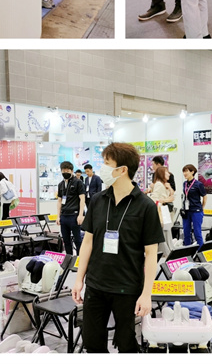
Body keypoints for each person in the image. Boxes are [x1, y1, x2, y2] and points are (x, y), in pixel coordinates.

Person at [72, 143, 164, 353]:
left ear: (122, 170)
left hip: (127, 288)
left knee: (126, 344)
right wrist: (79, 279)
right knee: (92, 342)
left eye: (107, 163)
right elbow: (87, 242)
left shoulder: (146, 206)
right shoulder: (97, 200)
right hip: (96, 285)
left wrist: (147, 294)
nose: (102, 168)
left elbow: (151, 254)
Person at [57, 161, 85, 254]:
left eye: (67, 171)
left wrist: (81, 215)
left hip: (74, 215)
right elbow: (59, 201)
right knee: (66, 240)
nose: (65, 173)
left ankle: (80, 259)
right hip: (64, 216)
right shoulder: (60, 184)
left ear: (72, 171)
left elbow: (82, 199)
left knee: (78, 240)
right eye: (63, 171)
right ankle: (69, 258)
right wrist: (58, 216)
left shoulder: (78, 182)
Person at [149, 167, 175, 253]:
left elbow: (172, 196)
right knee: (164, 230)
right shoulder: (159, 184)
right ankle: (164, 251)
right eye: (166, 172)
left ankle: (166, 250)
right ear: (162, 174)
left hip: (164, 210)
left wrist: (169, 188)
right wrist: (165, 200)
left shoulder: (165, 184)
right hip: (161, 210)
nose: (169, 174)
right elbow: (154, 199)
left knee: (166, 230)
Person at [181, 164, 206, 247]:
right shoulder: (184, 184)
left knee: (197, 232)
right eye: (183, 171)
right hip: (186, 211)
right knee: (186, 232)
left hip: (196, 210)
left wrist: (202, 207)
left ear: (192, 172)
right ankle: (187, 250)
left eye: (186, 171)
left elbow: (205, 196)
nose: (184, 173)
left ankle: (200, 250)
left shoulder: (198, 184)